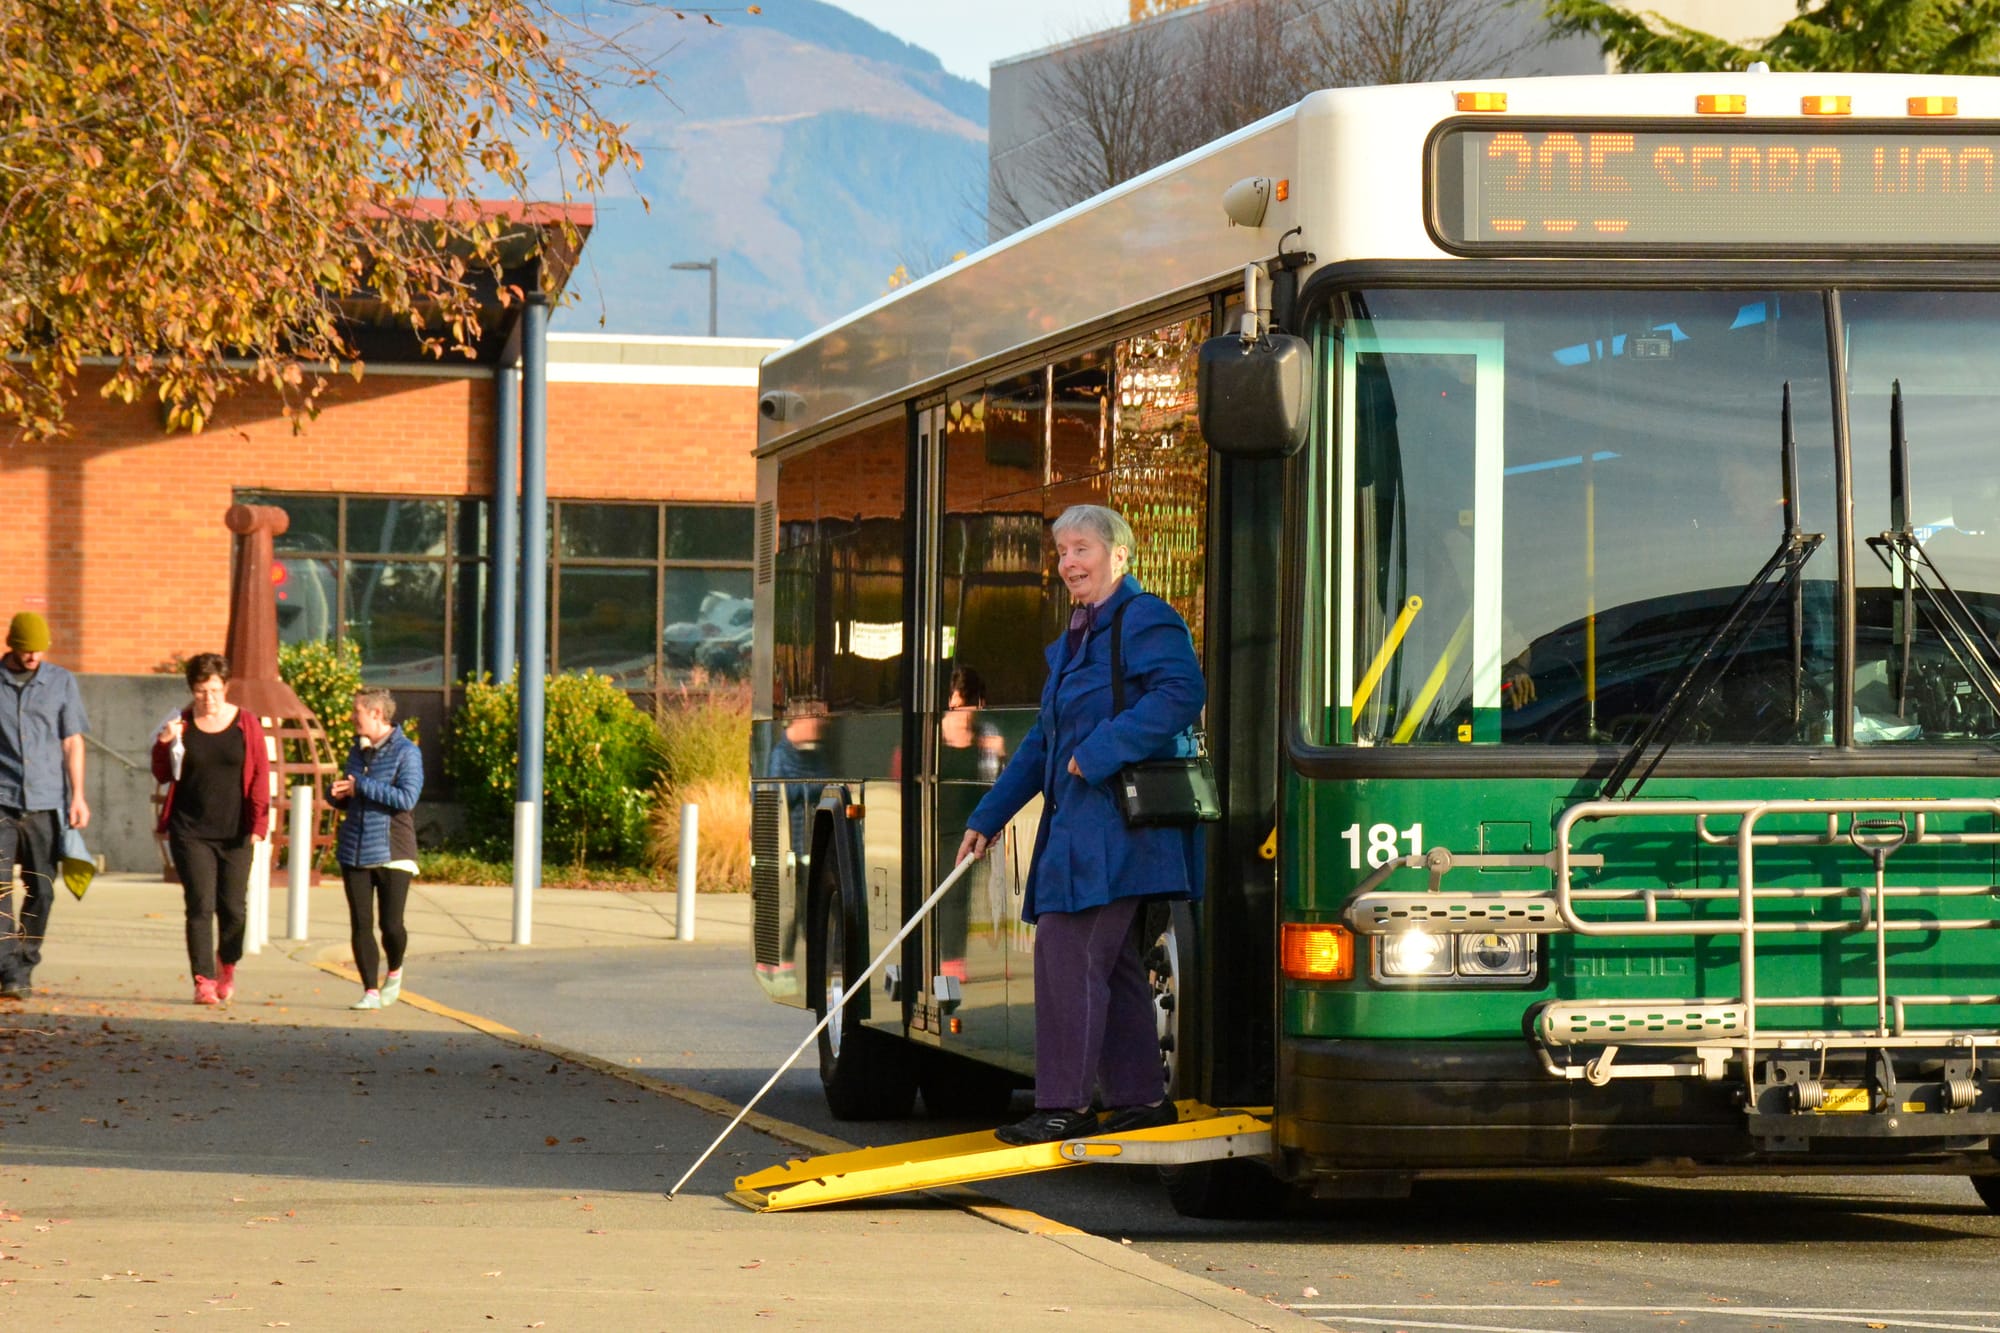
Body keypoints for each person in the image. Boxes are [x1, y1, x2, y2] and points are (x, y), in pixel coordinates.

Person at [956, 505, 1206, 1146]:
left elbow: (1183, 691)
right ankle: (1140, 1099)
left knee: (1067, 953)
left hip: (1120, 832)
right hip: (1080, 831)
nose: (1068, 562)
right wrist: (987, 819)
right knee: (1113, 961)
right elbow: (1043, 741)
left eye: (1082, 549)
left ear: (1119, 554)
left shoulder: (1145, 617)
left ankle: (1061, 1105)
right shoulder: (1078, 636)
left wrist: (1099, 750)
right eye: (1061, 551)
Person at [151, 654, 271, 1005]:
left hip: (237, 831)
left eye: (215, 690)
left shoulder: (246, 724)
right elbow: (162, 773)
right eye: (201, 691)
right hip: (191, 830)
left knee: (233, 908)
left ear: (226, 687)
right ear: (192, 690)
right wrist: (163, 742)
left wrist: (260, 823)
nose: (209, 698)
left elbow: (261, 775)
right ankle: (203, 980)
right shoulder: (181, 724)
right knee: (200, 905)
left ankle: (227, 965)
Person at [0, 611, 89, 1001]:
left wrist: (79, 796)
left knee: (43, 889)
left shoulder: (61, 682)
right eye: (26, 649)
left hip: (46, 800)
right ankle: (8, 971)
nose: (33, 655)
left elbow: (72, 742)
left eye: (38, 649)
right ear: (12, 646)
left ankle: (24, 958)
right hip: (1, 797)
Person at [327, 688, 423, 1011]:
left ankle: (394, 970)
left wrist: (361, 786)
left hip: (393, 850)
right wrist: (337, 795)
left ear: (377, 714)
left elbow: (406, 799)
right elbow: (353, 794)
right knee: (360, 923)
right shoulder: (356, 751)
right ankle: (370, 990)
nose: (353, 718)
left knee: (391, 926)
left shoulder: (407, 753)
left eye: (357, 712)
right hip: (354, 849)